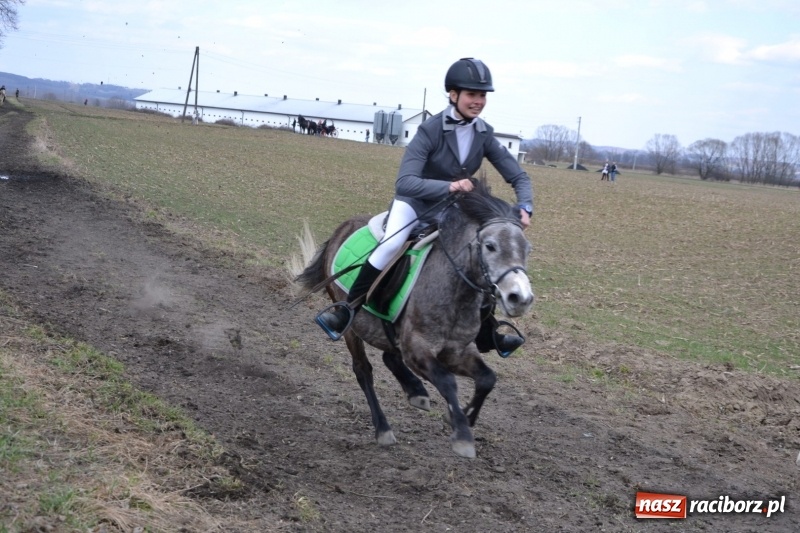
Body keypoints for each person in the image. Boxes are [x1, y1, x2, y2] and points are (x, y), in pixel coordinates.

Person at [316, 57, 534, 355]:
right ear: (453, 95)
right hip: (415, 204)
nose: (479, 101)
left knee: (478, 254)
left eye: (483, 95)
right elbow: (405, 182)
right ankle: (346, 309)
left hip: (453, 210)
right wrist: (450, 186)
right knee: (391, 245)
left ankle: (487, 330)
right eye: (472, 94)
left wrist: (526, 205)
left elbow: (518, 175)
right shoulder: (430, 130)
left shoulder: (484, 132)